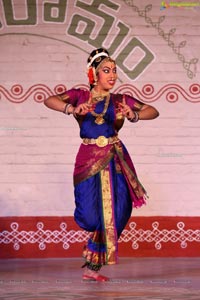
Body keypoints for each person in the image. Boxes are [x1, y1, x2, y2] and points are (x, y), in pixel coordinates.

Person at [44, 48, 159, 282]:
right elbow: (49, 100)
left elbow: (152, 111)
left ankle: (92, 268)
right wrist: (71, 109)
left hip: (116, 157)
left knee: (120, 209)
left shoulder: (120, 100)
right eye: (107, 71)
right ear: (94, 74)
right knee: (89, 217)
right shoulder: (79, 95)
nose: (112, 75)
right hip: (88, 159)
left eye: (115, 71)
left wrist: (134, 115)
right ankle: (93, 256)